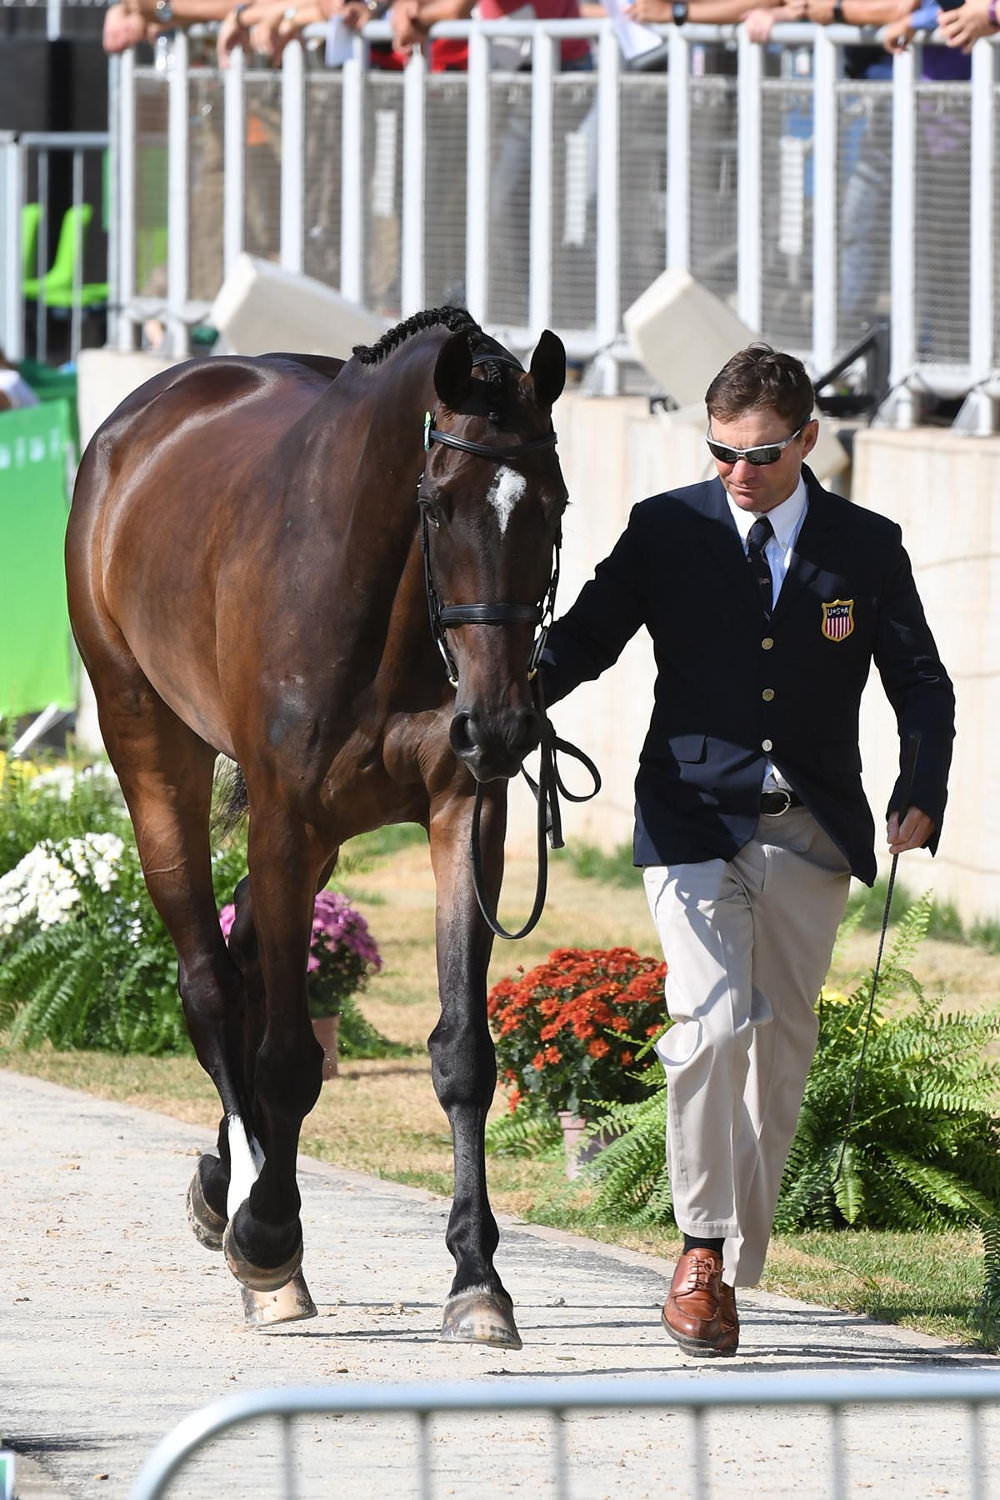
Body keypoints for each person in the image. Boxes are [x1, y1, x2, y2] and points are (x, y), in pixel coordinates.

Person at [539, 343, 954, 1357]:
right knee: (711, 1022)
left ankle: (729, 1257)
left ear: (807, 440)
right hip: (688, 822)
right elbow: (583, 639)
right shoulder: (666, 529)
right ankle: (698, 1254)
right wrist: (493, 704)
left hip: (810, 830)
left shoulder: (864, 544)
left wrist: (921, 790)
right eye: (722, 451)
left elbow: (920, 682)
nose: (739, 472)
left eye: (761, 455)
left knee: (780, 1055)